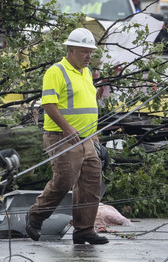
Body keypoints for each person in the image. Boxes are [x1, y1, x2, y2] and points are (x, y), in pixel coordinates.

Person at [25, 27, 108, 245]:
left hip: (87, 139)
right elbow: (48, 104)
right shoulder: (56, 71)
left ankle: (84, 230)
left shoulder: (86, 72)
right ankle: (35, 216)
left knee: (91, 183)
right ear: (71, 50)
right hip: (61, 137)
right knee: (64, 180)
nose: (89, 56)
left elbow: (87, 106)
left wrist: (94, 136)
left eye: (91, 51)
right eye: (84, 51)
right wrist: (67, 128)